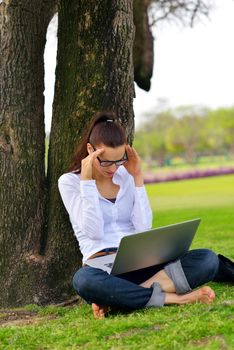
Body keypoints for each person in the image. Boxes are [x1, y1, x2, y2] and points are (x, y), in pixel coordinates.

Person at [58, 111, 220, 319]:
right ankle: (173, 298)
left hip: (142, 262)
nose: (114, 169)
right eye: (106, 161)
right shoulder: (69, 182)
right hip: (102, 267)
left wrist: (137, 177)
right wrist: (88, 182)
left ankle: (120, 298)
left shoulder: (126, 176)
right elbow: (94, 231)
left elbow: (143, 228)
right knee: (83, 280)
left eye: (119, 161)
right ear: (90, 151)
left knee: (207, 259)